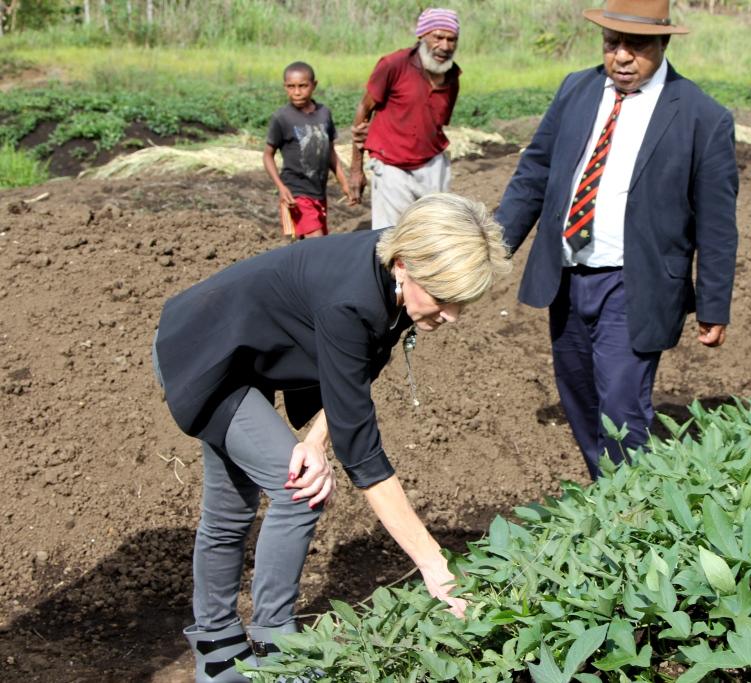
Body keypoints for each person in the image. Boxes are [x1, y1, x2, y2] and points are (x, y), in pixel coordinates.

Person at [153, 193, 510, 682]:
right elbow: (362, 451)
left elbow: (356, 373)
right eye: (446, 299)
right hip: (202, 353)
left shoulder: (394, 272)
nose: (452, 316)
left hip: (244, 353)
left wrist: (316, 440)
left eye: (461, 302)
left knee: (235, 506)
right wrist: (434, 565)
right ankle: (273, 648)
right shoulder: (353, 300)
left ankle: (217, 652)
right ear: (405, 265)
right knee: (299, 491)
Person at [494, 0, 739, 480]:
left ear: (663, 44)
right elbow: (536, 171)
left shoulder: (701, 116)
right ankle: (608, 497)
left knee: (622, 407)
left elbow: (716, 222)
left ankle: (634, 516)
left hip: (636, 282)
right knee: (580, 397)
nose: (621, 56)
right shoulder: (578, 89)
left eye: (636, 45)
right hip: (567, 274)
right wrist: (491, 248)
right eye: (612, 44)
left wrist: (714, 303)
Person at [349, 8, 461, 229]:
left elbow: (434, 124)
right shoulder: (394, 65)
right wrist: (356, 169)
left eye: (452, 40)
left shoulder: (452, 77)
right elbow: (364, 107)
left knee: (434, 233)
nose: (445, 47)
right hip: (392, 165)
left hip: (431, 165)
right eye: (438, 37)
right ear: (422, 36)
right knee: (392, 236)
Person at [263, 61, 353, 240]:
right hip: (296, 192)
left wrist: (344, 182)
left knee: (308, 246)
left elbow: (330, 152)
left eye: (303, 86)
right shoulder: (282, 118)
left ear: (314, 85)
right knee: (317, 242)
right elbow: (267, 155)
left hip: (319, 192)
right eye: (291, 86)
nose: (297, 92)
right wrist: (281, 187)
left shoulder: (324, 113)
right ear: (285, 87)